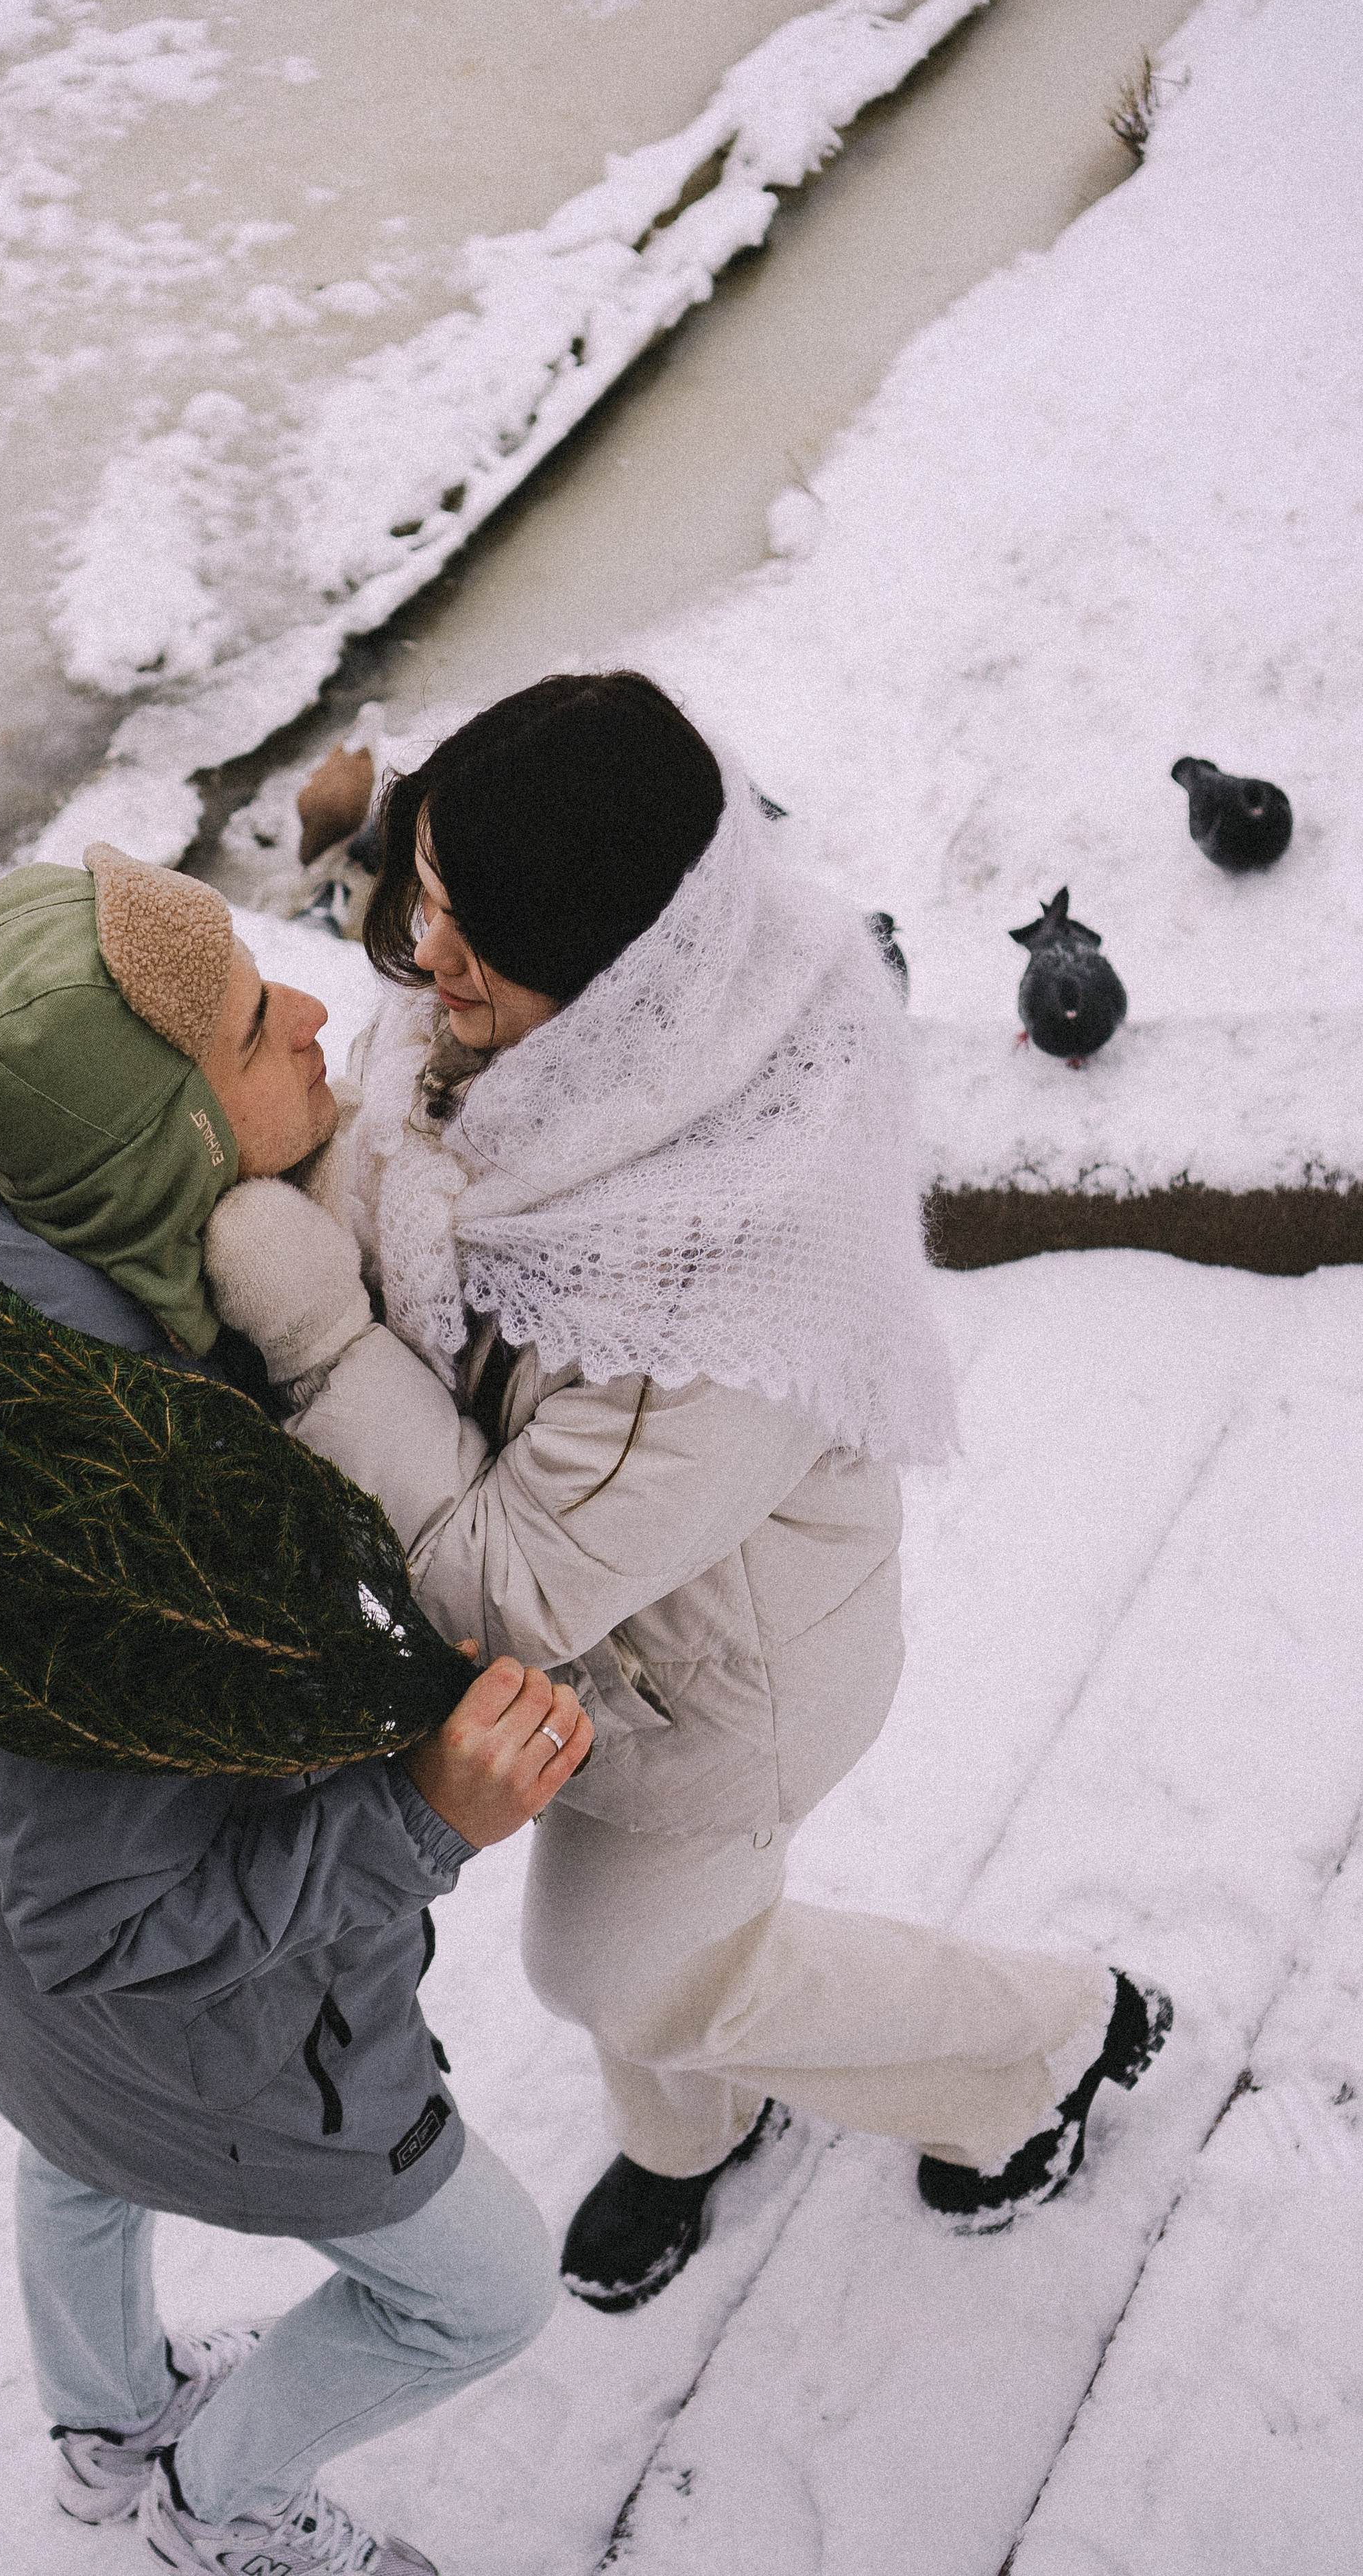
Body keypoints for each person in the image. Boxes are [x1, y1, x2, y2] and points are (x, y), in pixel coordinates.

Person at [203, 670, 1174, 2313]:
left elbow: (519, 1581)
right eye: (426, 893)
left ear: (626, 977)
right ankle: (691, 2132)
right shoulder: (525, 1042)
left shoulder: (711, 1268)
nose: (426, 956)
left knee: (614, 1965)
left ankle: (1043, 2046)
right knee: (661, 1959)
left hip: (722, 1689)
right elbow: (404, 1174)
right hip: (619, 1662)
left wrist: (310, 1337)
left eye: (482, 935)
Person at [0, 840, 590, 2576]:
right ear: (166, 1150)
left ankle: (105, 2426)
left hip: (28, 2017)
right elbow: (112, 1925)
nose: (320, 1013)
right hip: (206, 2041)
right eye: (261, 1030)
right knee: (484, 2295)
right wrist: (421, 1815)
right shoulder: (108, 1498)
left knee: (72, 2155)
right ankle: (218, 2506)